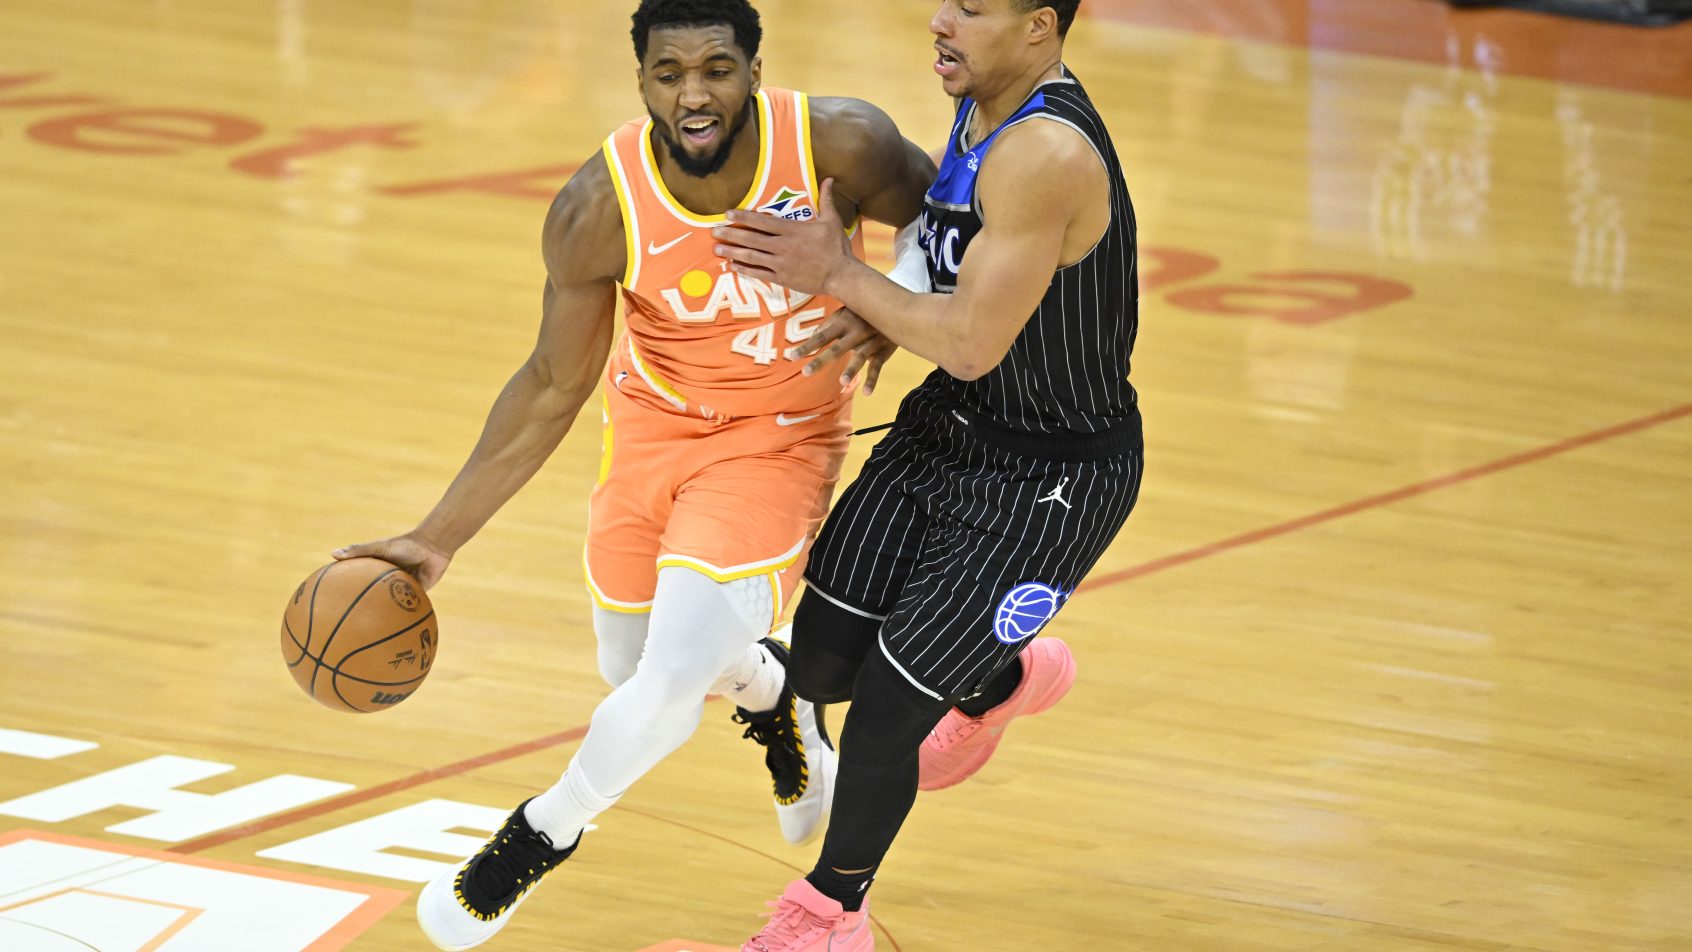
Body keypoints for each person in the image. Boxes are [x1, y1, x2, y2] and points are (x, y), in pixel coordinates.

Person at [332, 1, 933, 947]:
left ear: (754, 67)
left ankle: (534, 839)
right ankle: (777, 698)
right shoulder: (597, 208)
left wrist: (890, 306)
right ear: (640, 79)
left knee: (662, 683)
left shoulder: (837, 141)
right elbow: (548, 386)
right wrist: (434, 538)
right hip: (652, 428)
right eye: (669, 73)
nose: (694, 94)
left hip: (779, 437)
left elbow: (947, 218)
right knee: (632, 665)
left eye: (716, 68)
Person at [712, 0, 1142, 948]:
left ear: (1039, 26)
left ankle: (830, 915)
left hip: (1047, 480)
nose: (941, 20)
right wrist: (887, 296)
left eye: (972, 8)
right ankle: (998, 680)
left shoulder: (1047, 155)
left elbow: (973, 343)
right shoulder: (984, 98)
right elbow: (956, 273)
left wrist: (840, 276)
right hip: (947, 432)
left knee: (882, 727)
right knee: (820, 665)